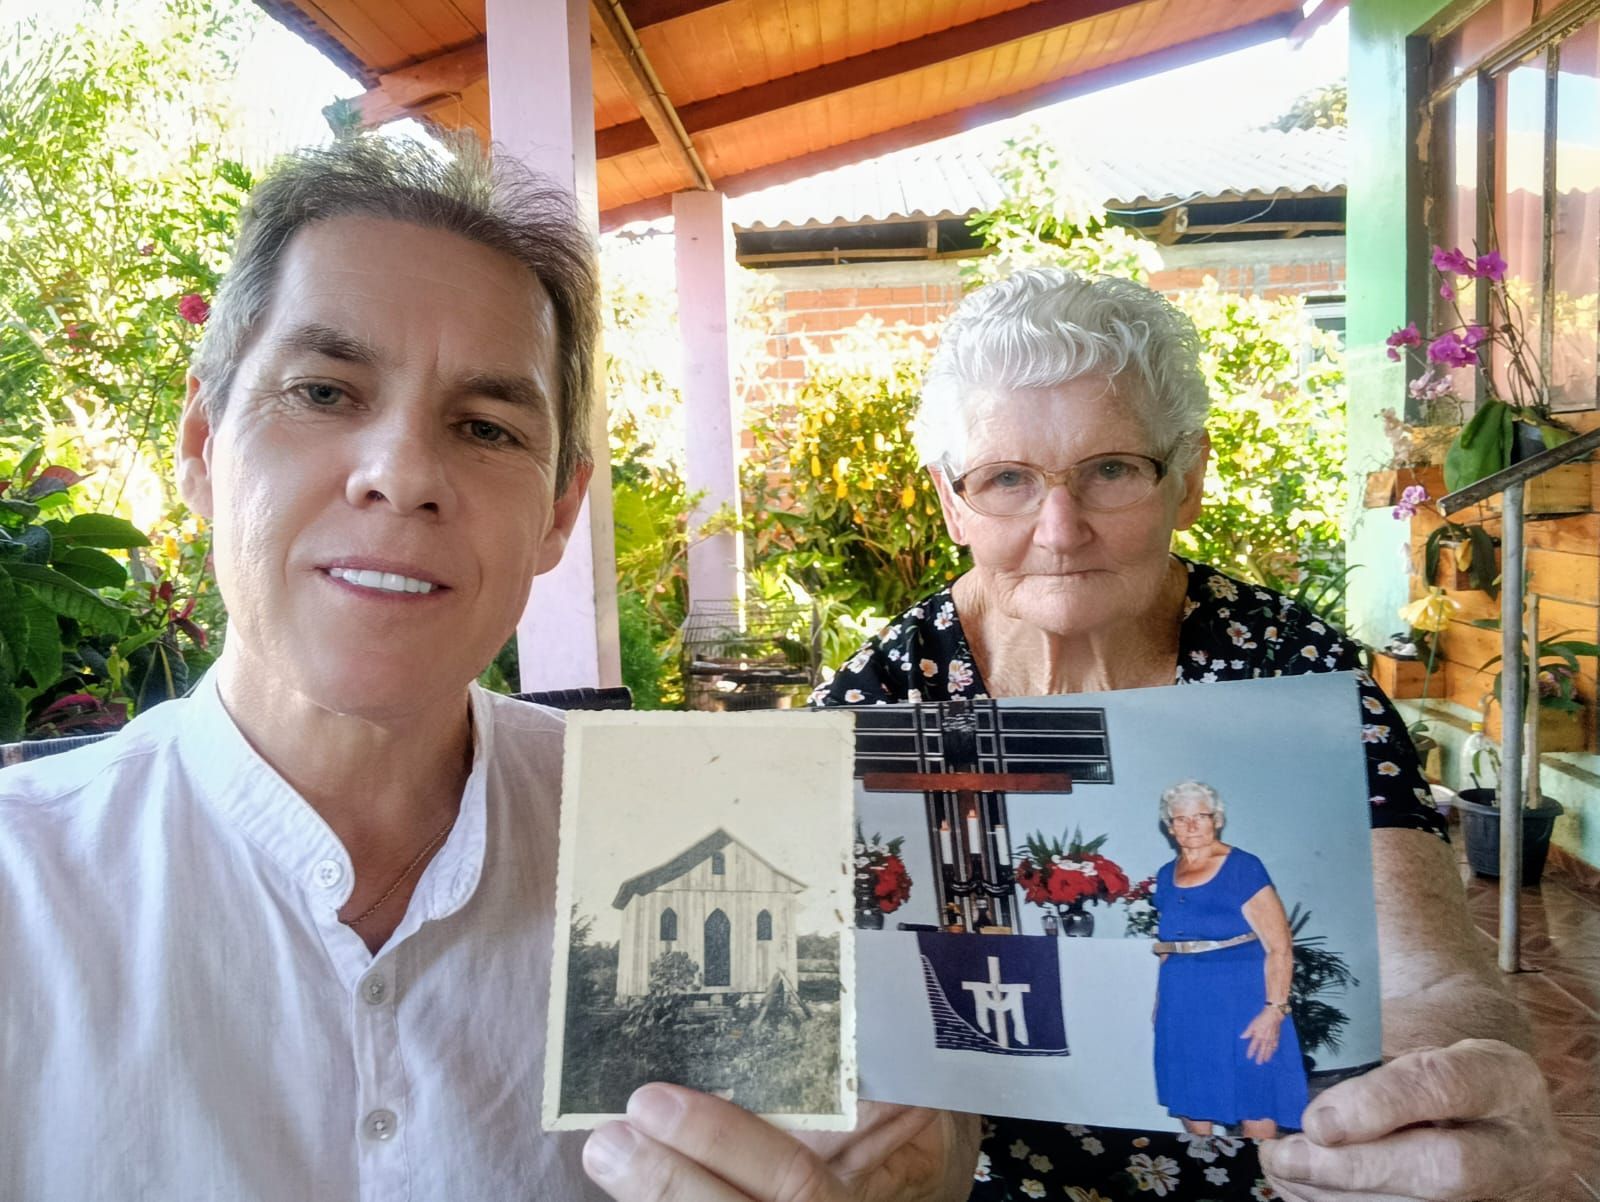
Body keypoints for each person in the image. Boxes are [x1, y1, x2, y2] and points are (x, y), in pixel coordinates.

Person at [0, 137, 977, 1202]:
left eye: (484, 427)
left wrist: (909, 1166)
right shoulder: (27, 887)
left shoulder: (693, 838)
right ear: (202, 444)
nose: (403, 473)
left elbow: (893, 1133)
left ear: (559, 511)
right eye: (324, 391)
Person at [815, 267, 1565, 1200]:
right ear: (951, 501)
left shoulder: (1291, 672)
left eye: (1111, 470)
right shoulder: (878, 701)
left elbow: (1431, 982)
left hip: (1279, 1176)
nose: (1060, 530)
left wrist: (1423, 1093)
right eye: (1007, 479)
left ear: (1190, 478)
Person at [1151, 780, 1307, 1141]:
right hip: (1183, 999)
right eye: (1181, 819)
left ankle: (1258, 1172)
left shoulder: (1243, 868)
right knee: (1190, 1092)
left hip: (1240, 995)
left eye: (1201, 816)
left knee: (1254, 1091)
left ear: (1217, 820)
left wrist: (1274, 1010)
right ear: (1170, 827)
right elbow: (1168, 944)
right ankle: (1210, 1168)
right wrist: (1160, 1002)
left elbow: (1280, 947)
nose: (1191, 825)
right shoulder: (1165, 875)